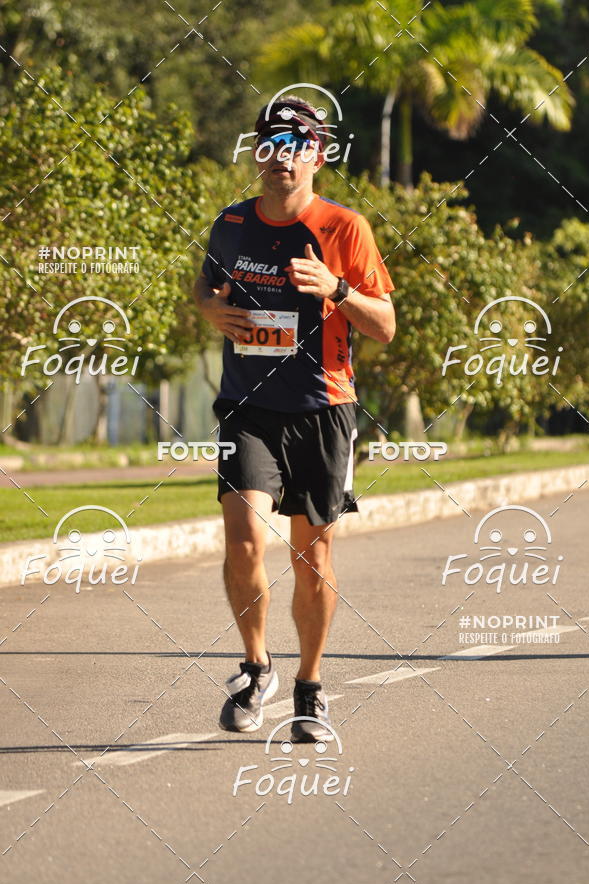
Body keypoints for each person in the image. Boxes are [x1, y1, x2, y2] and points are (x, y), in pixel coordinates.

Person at [193, 96, 395, 743]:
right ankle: (256, 667)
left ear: (318, 153)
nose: (282, 156)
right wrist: (211, 312)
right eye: (272, 143)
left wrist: (337, 289)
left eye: (297, 143)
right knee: (244, 539)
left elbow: (385, 326)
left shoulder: (345, 227)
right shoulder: (229, 226)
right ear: (258, 152)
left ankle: (310, 684)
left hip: (322, 409)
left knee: (313, 558)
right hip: (249, 406)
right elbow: (206, 288)